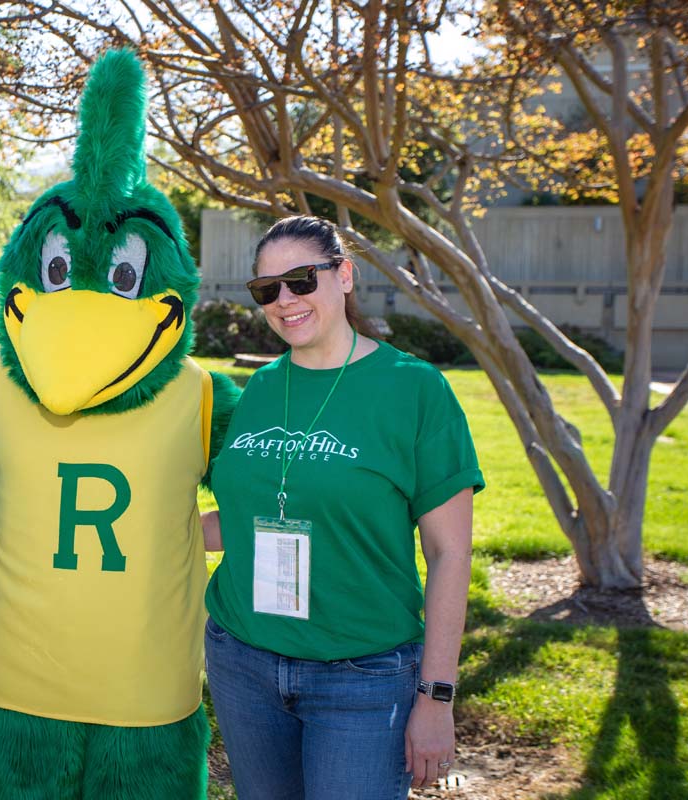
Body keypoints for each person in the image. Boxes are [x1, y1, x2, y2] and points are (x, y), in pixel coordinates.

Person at [201, 216, 484, 800]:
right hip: (243, 661)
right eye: (267, 289)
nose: (285, 300)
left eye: (303, 280)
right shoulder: (258, 389)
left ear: (345, 276)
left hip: (364, 677)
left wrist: (436, 697)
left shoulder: (415, 389)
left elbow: (450, 553)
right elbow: (247, 520)